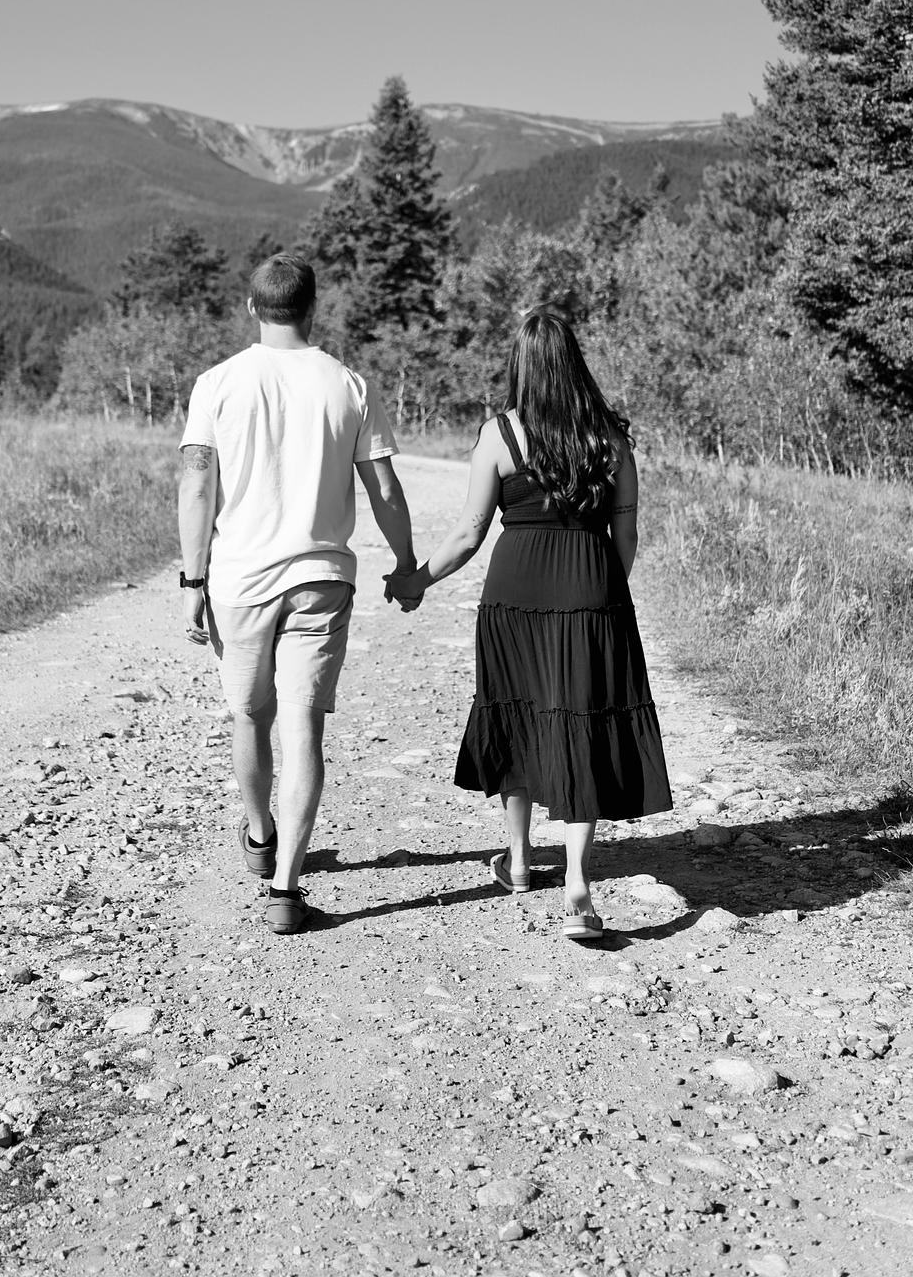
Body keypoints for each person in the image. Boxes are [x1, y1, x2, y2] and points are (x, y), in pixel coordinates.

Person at [387, 309, 671, 939]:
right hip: (591, 591)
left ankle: (517, 861)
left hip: (513, 593)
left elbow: (468, 534)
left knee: (517, 713)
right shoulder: (610, 439)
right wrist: (600, 592)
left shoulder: (499, 435)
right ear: (574, 365)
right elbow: (626, 538)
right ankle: (577, 886)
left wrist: (415, 581)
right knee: (582, 723)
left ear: (520, 366)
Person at [178, 253, 418, 935]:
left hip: (239, 581)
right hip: (320, 579)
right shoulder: (349, 384)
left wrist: (192, 580)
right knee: (303, 727)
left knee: (248, 718)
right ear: (314, 307)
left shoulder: (217, 384)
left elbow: (197, 484)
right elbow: (385, 489)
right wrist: (406, 564)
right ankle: (286, 887)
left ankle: (260, 834)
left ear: (252, 307)